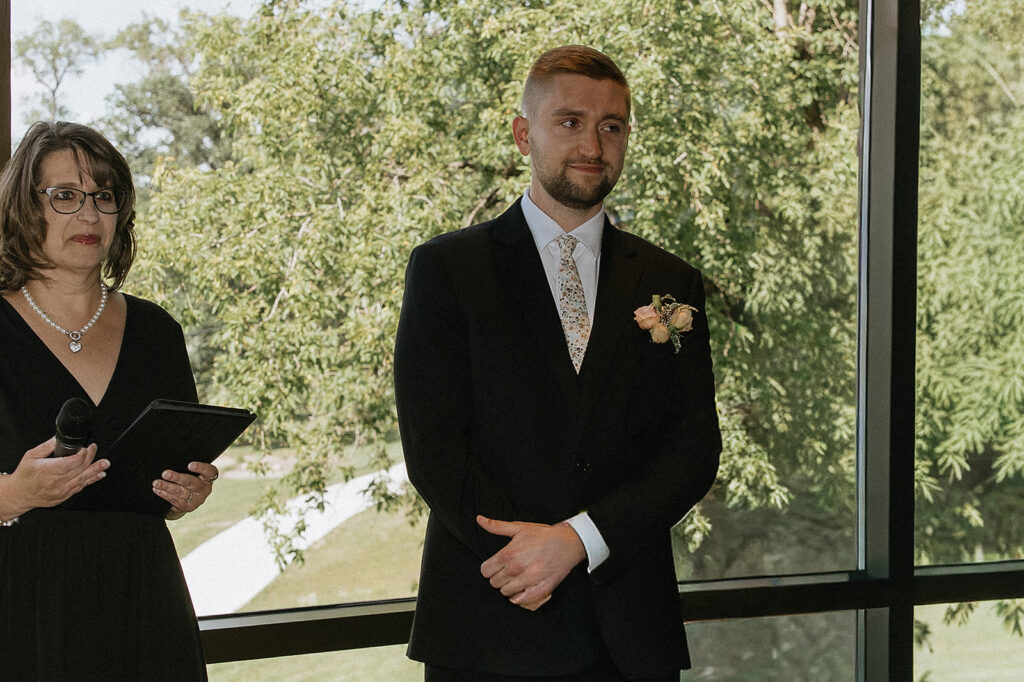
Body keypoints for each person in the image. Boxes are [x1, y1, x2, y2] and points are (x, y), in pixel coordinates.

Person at [394, 46, 722, 680]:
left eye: (612, 126)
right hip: (492, 622)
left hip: (630, 636)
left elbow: (692, 450)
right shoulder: (447, 270)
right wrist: (524, 561)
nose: (592, 145)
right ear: (524, 134)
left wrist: (579, 540)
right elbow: (433, 448)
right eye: (570, 122)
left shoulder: (670, 281)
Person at [0, 121, 217, 680]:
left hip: (143, 602)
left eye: (104, 196)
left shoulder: (157, 331)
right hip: (20, 607)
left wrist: (182, 494)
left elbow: (165, 487)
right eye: (65, 196)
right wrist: (11, 494)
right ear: (24, 207)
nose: (89, 214)